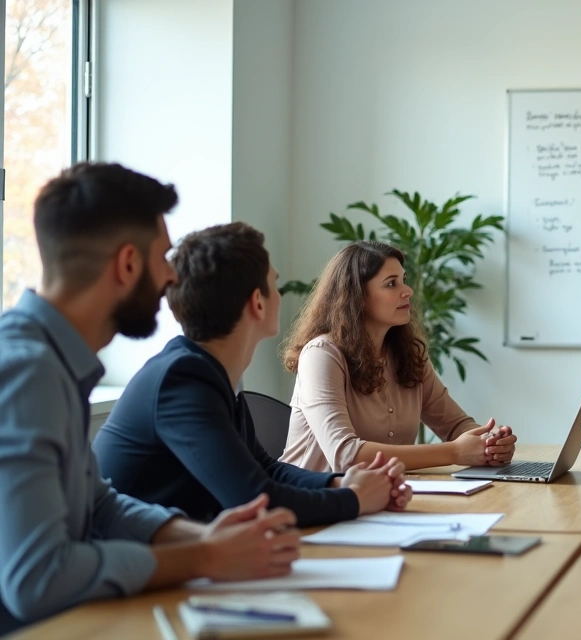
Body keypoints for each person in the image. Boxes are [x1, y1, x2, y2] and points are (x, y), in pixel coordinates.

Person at [0, 163, 300, 634]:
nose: (170, 277)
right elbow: (37, 578)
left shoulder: (55, 363)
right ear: (127, 265)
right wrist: (202, 557)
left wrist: (202, 537)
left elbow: (99, 504)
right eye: (163, 257)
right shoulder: (26, 372)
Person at [94, 223, 412, 528]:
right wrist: (354, 499)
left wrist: (341, 482)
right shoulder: (184, 379)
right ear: (257, 303)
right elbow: (253, 498)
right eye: (274, 283)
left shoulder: (208, 371)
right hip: (138, 570)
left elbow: (266, 468)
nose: (279, 294)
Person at [279, 241, 516, 472]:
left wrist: (490, 443)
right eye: (391, 283)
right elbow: (345, 455)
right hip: (315, 504)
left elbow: (455, 424)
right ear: (357, 296)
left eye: (403, 280)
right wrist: (454, 452)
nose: (408, 291)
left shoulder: (409, 355)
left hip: (384, 498)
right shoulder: (321, 355)